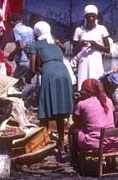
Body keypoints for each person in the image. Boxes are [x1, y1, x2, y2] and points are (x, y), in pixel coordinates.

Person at [26, 21, 74, 154]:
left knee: (45, 111)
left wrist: (27, 77)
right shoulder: (55, 44)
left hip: (49, 74)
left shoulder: (35, 45)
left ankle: (44, 145)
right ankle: (61, 145)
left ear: (36, 32)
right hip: (63, 74)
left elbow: (32, 67)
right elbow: (62, 51)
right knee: (59, 111)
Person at [69, 78, 118, 170]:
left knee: (73, 130)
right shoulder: (108, 101)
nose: (81, 92)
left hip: (95, 143)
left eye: (82, 90)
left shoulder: (82, 103)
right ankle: (110, 163)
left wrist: (76, 101)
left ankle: (76, 162)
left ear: (89, 91)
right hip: (113, 142)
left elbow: (75, 121)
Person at [73, 4, 110, 91]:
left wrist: (96, 45)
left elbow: (107, 49)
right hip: (83, 62)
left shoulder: (102, 29)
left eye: (93, 16)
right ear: (85, 17)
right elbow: (74, 51)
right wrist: (81, 45)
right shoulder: (79, 30)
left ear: (96, 17)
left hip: (96, 61)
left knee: (97, 82)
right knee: (83, 83)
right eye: (88, 16)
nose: (91, 19)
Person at [8, 13, 35, 91]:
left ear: (12, 22)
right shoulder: (30, 29)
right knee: (24, 81)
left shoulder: (16, 29)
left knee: (13, 82)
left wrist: (12, 54)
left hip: (22, 60)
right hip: (31, 60)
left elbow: (21, 46)